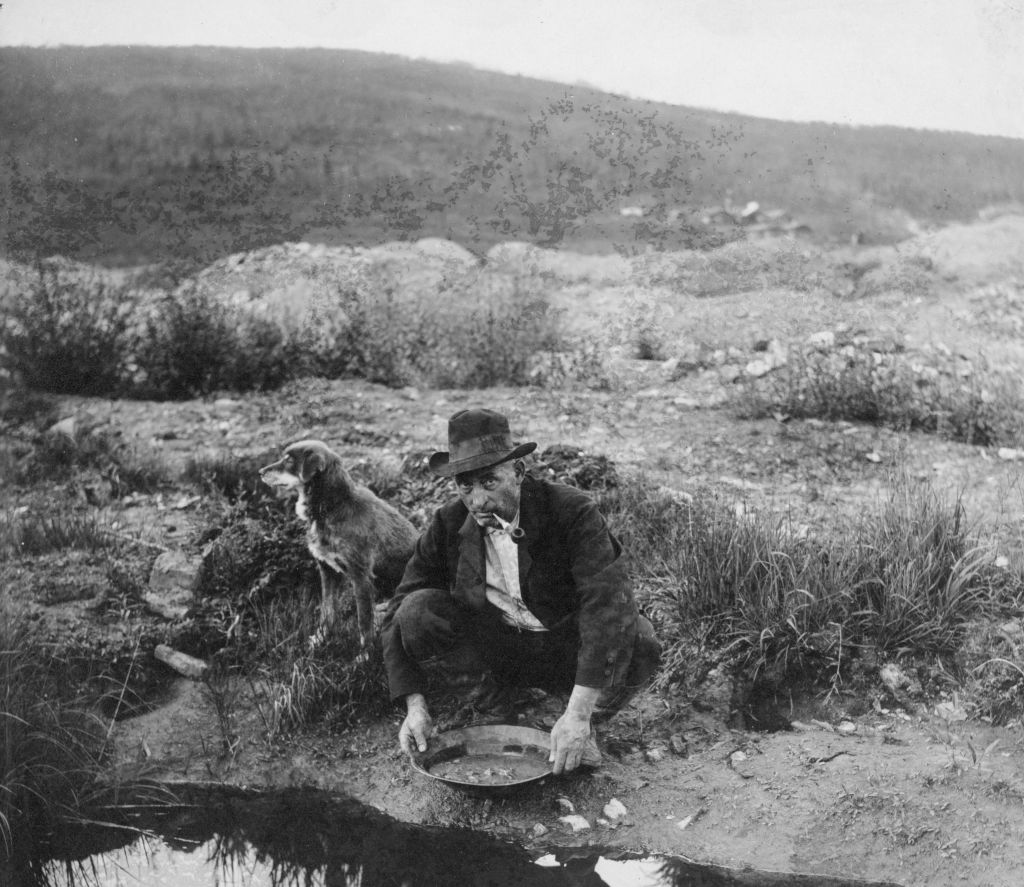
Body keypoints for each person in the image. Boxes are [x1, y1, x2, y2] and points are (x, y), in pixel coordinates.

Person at [381, 408, 661, 774]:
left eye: (489, 482)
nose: (478, 501)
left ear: (518, 472)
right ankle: (492, 707)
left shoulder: (571, 511)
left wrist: (578, 713)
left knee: (641, 638)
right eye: (466, 486)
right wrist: (414, 707)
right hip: (500, 653)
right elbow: (397, 609)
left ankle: (583, 723)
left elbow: (607, 604)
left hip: (565, 649)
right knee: (417, 610)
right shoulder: (447, 523)